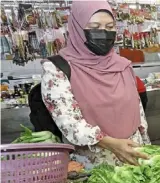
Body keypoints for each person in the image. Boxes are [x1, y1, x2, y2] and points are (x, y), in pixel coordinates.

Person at [41, 0, 150, 169]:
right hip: (94, 167)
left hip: (134, 159)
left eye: (109, 26)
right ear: (77, 27)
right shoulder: (57, 69)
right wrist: (111, 144)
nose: (103, 33)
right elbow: (71, 125)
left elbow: (139, 115)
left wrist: (147, 151)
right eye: (95, 26)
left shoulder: (123, 65)